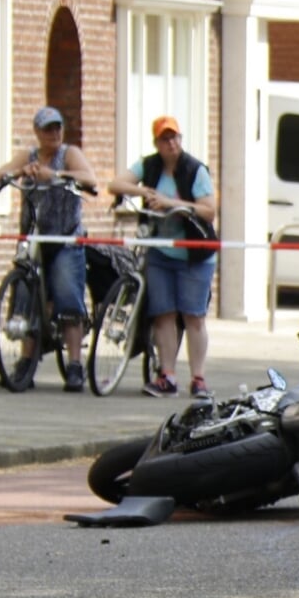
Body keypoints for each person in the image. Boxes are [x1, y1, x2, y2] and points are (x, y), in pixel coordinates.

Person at [0, 106, 101, 392]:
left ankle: (75, 364)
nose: (53, 133)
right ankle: (27, 361)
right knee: (27, 293)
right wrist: (20, 171)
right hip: (33, 236)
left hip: (65, 236)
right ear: (37, 132)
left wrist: (56, 174)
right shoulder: (29, 155)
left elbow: (90, 179)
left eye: (57, 128)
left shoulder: (69, 153)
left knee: (67, 296)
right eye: (47, 129)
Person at [108, 115, 218, 399]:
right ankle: (167, 376)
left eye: (175, 137)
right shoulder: (150, 165)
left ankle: (198, 378)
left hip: (195, 253)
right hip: (161, 251)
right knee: (163, 314)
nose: (171, 143)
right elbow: (115, 185)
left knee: (193, 316)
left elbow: (208, 210)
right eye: (165, 139)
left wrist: (171, 203)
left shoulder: (195, 170)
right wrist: (143, 191)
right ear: (156, 143)